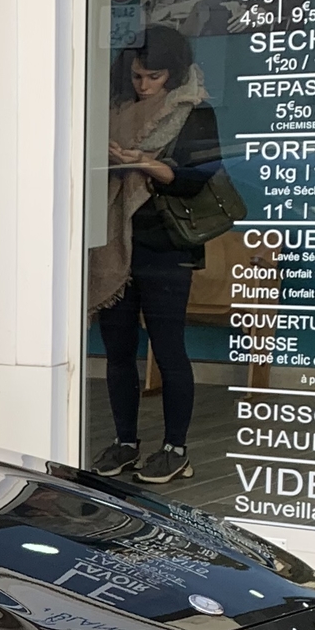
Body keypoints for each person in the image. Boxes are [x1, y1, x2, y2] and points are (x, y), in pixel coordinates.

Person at [87, 24, 219, 485]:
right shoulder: (111, 111)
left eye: (154, 76)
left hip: (166, 246)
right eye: (138, 76)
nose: (144, 85)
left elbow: (197, 177)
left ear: (174, 73)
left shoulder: (193, 113)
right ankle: (125, 441)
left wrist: (143, 162)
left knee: (168, 350)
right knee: (117, 350)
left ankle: (174, 449)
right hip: (112, 245)